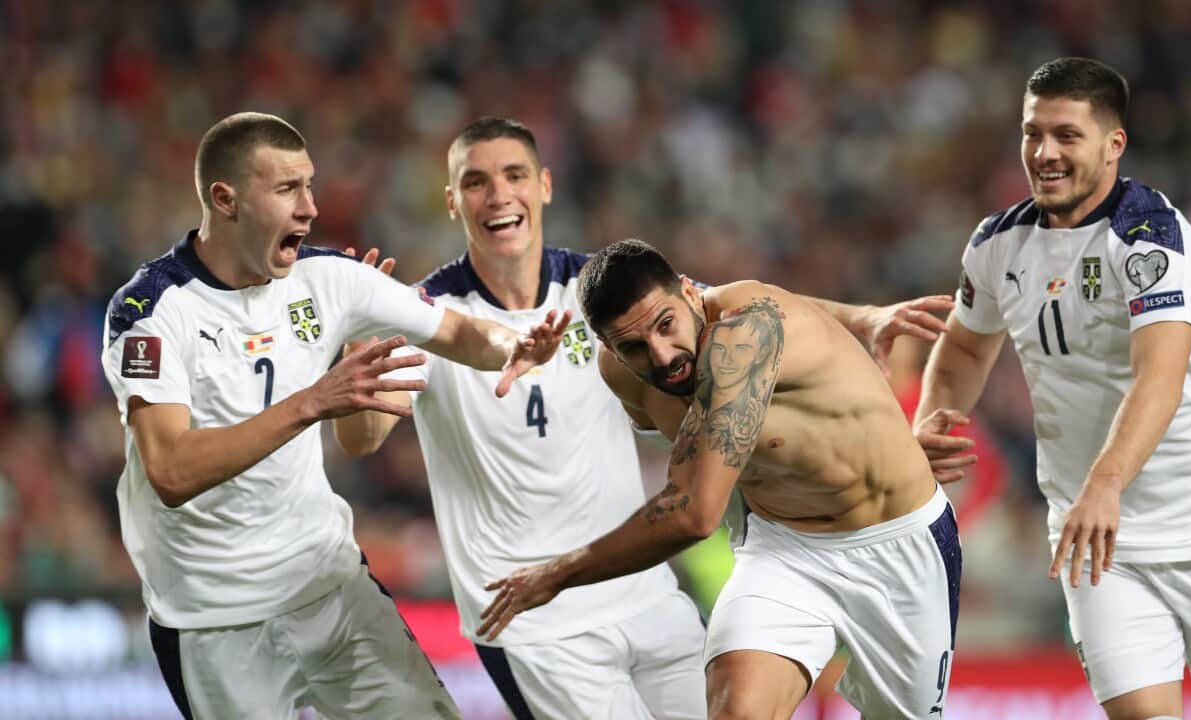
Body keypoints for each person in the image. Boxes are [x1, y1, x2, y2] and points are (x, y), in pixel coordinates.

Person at [333, 117, 956, 720]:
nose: (499, 194)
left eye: (515, 174)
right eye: (476, 181)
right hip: (542, 615)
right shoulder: (429, 314)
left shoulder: (605, 292)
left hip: (648, 591)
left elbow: (744, 307)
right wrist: (363, 344)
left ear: (544, 185)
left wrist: (864, 319)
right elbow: (362, 440)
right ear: (452, 201)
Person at [99, 112, 568, 720]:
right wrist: (313, 401)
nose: (310, 208)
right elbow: (170, 469)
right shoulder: (150, 311)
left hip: (330, 587)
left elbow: (455, 330)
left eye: (310, 185)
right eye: (287, 189)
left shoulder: (329, 279)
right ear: (226, 199)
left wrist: (518, 345)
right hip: (213, 620)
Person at [914, 57, 1191, 720]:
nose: (1044, 153)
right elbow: (967, 344)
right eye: (1032, 134)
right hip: (1095, 540)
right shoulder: (998, 244)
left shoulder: (1150, 238)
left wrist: (1106, 483)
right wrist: (933, 419)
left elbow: (1160, 376)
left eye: (1066, 136)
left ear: (1114, 144)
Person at [476, 239, 961, 720]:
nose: (662, 356)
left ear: (690, 294)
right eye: (634, 347)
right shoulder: (624, 374)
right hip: (784, 550)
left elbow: (693, 513)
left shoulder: (742, 336)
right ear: (609, 347)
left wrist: (557, 575)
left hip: (899, 545)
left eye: (666, 326)